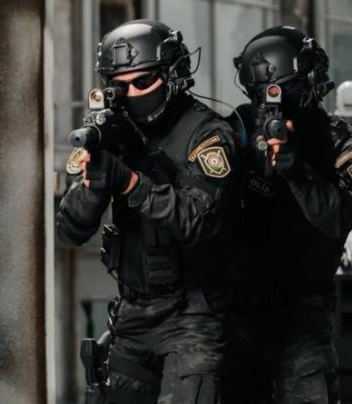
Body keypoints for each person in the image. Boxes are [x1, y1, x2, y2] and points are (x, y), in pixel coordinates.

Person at [57, 19, 239, 404]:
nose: (129, 95)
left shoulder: (206, 134)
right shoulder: (108, 133)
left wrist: (130, 183)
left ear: (173, 76)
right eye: (117, 85)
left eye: (142, 82)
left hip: (193, 316)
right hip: (132, 315)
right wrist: (94, 185)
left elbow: (197, 221)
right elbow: (70, 231)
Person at [227, 26, 352, 404]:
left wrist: (295, 169)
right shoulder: (239, 129)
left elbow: (339, 218)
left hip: (303, 314)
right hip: (236, 309)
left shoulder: (343, 144)